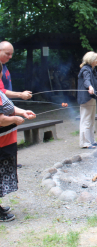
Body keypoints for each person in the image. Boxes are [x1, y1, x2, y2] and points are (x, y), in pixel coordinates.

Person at [0, 62, 36, 222]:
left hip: (5, 141)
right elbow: (1, 119)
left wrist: (23, 112)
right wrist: (15, 120)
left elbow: (8, 106)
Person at [77, 51, 97, 149]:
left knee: (91, 120)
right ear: (91, 60)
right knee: (86, 120)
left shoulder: (92, 69)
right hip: (86, 98)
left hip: (92, 98)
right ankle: (85, 143)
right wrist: (90, 87)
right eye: (96, 59)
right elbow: (86, 80)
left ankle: (91, 140)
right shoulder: (85, 69)